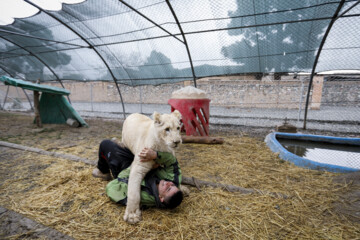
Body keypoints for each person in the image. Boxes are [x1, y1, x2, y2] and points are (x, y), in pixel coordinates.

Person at [92, 139, 184, 209]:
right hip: (143, 162)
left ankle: (103, 171)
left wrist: (143, 168)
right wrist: (155, 155)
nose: (169, 183)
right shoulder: (174, 181)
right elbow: (172, 162)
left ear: (161, 198)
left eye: (168, 189)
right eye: (172, 185)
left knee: (105, 144)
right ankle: (123, 146)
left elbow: (111, 186)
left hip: (126, 170)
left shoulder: (141, 197)